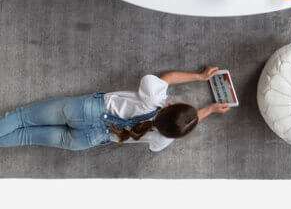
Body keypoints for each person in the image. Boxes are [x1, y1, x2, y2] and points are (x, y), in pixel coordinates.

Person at [0, 66, 229, 152]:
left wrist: (200, 76)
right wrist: (208, 110)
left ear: (172, 105)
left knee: (21, 117)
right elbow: (178, 125)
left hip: (86, 111)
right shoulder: (163, 140)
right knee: (26, 136)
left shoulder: (153, 97)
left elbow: (167, 77)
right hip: (89, 139)